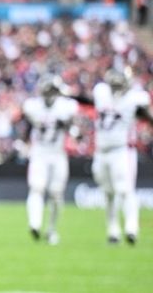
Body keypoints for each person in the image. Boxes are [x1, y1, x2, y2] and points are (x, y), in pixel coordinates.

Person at [72, 67, 152, 244]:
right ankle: (113, 229)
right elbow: (90, 103)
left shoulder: (135, 98)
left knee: (125, 189)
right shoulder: (101, 93)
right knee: (108, 193)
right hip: (101, 151)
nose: (115, 88)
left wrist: (144, 114)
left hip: (122, 150)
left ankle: (132, 228)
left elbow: (146, 116)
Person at [18, 75, 79, 245]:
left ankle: (52, 229)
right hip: (39, 153)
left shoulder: (65, 107)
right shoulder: (33, 107)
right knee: (36, 187)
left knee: (56, 194)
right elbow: (28, 126)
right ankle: (35, 224)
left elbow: (75, 131)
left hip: (58, 154)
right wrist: (23, 143)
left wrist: (66, 125)